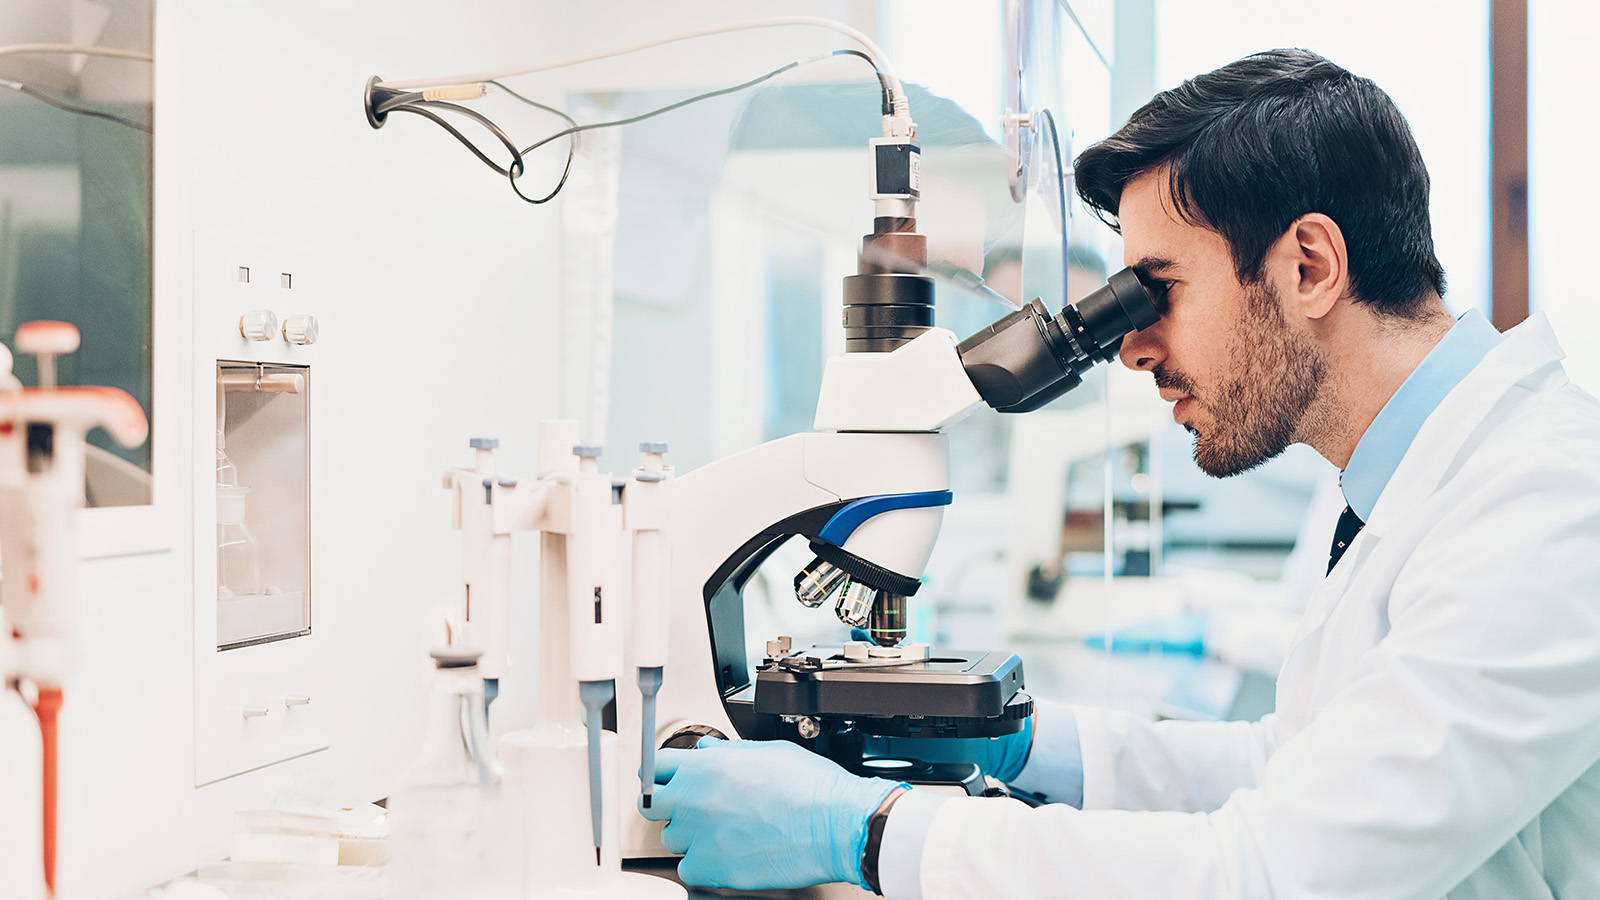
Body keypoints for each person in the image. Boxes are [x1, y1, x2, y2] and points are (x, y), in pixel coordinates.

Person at [641, 49, 1600, 898]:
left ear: (1309, 265)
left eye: (1160, 289)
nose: (1132, 347)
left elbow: (1276, 871)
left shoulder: (1546, 510)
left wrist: (865, 836)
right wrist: (1020, 743)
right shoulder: (1418, 485)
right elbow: (1293, 767)